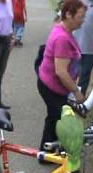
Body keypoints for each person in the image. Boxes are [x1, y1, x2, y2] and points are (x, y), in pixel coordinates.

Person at [37, 0, 86, 157]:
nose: (83, 20)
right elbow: (61, 72)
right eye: (80, 17)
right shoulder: (62, 38)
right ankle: (51, 153)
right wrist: (76, 92)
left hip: (55, 87)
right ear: (68, 15)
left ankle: (48, 152)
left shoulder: (64, 31)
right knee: (60, 118)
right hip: (51, 87)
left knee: (54, 117)